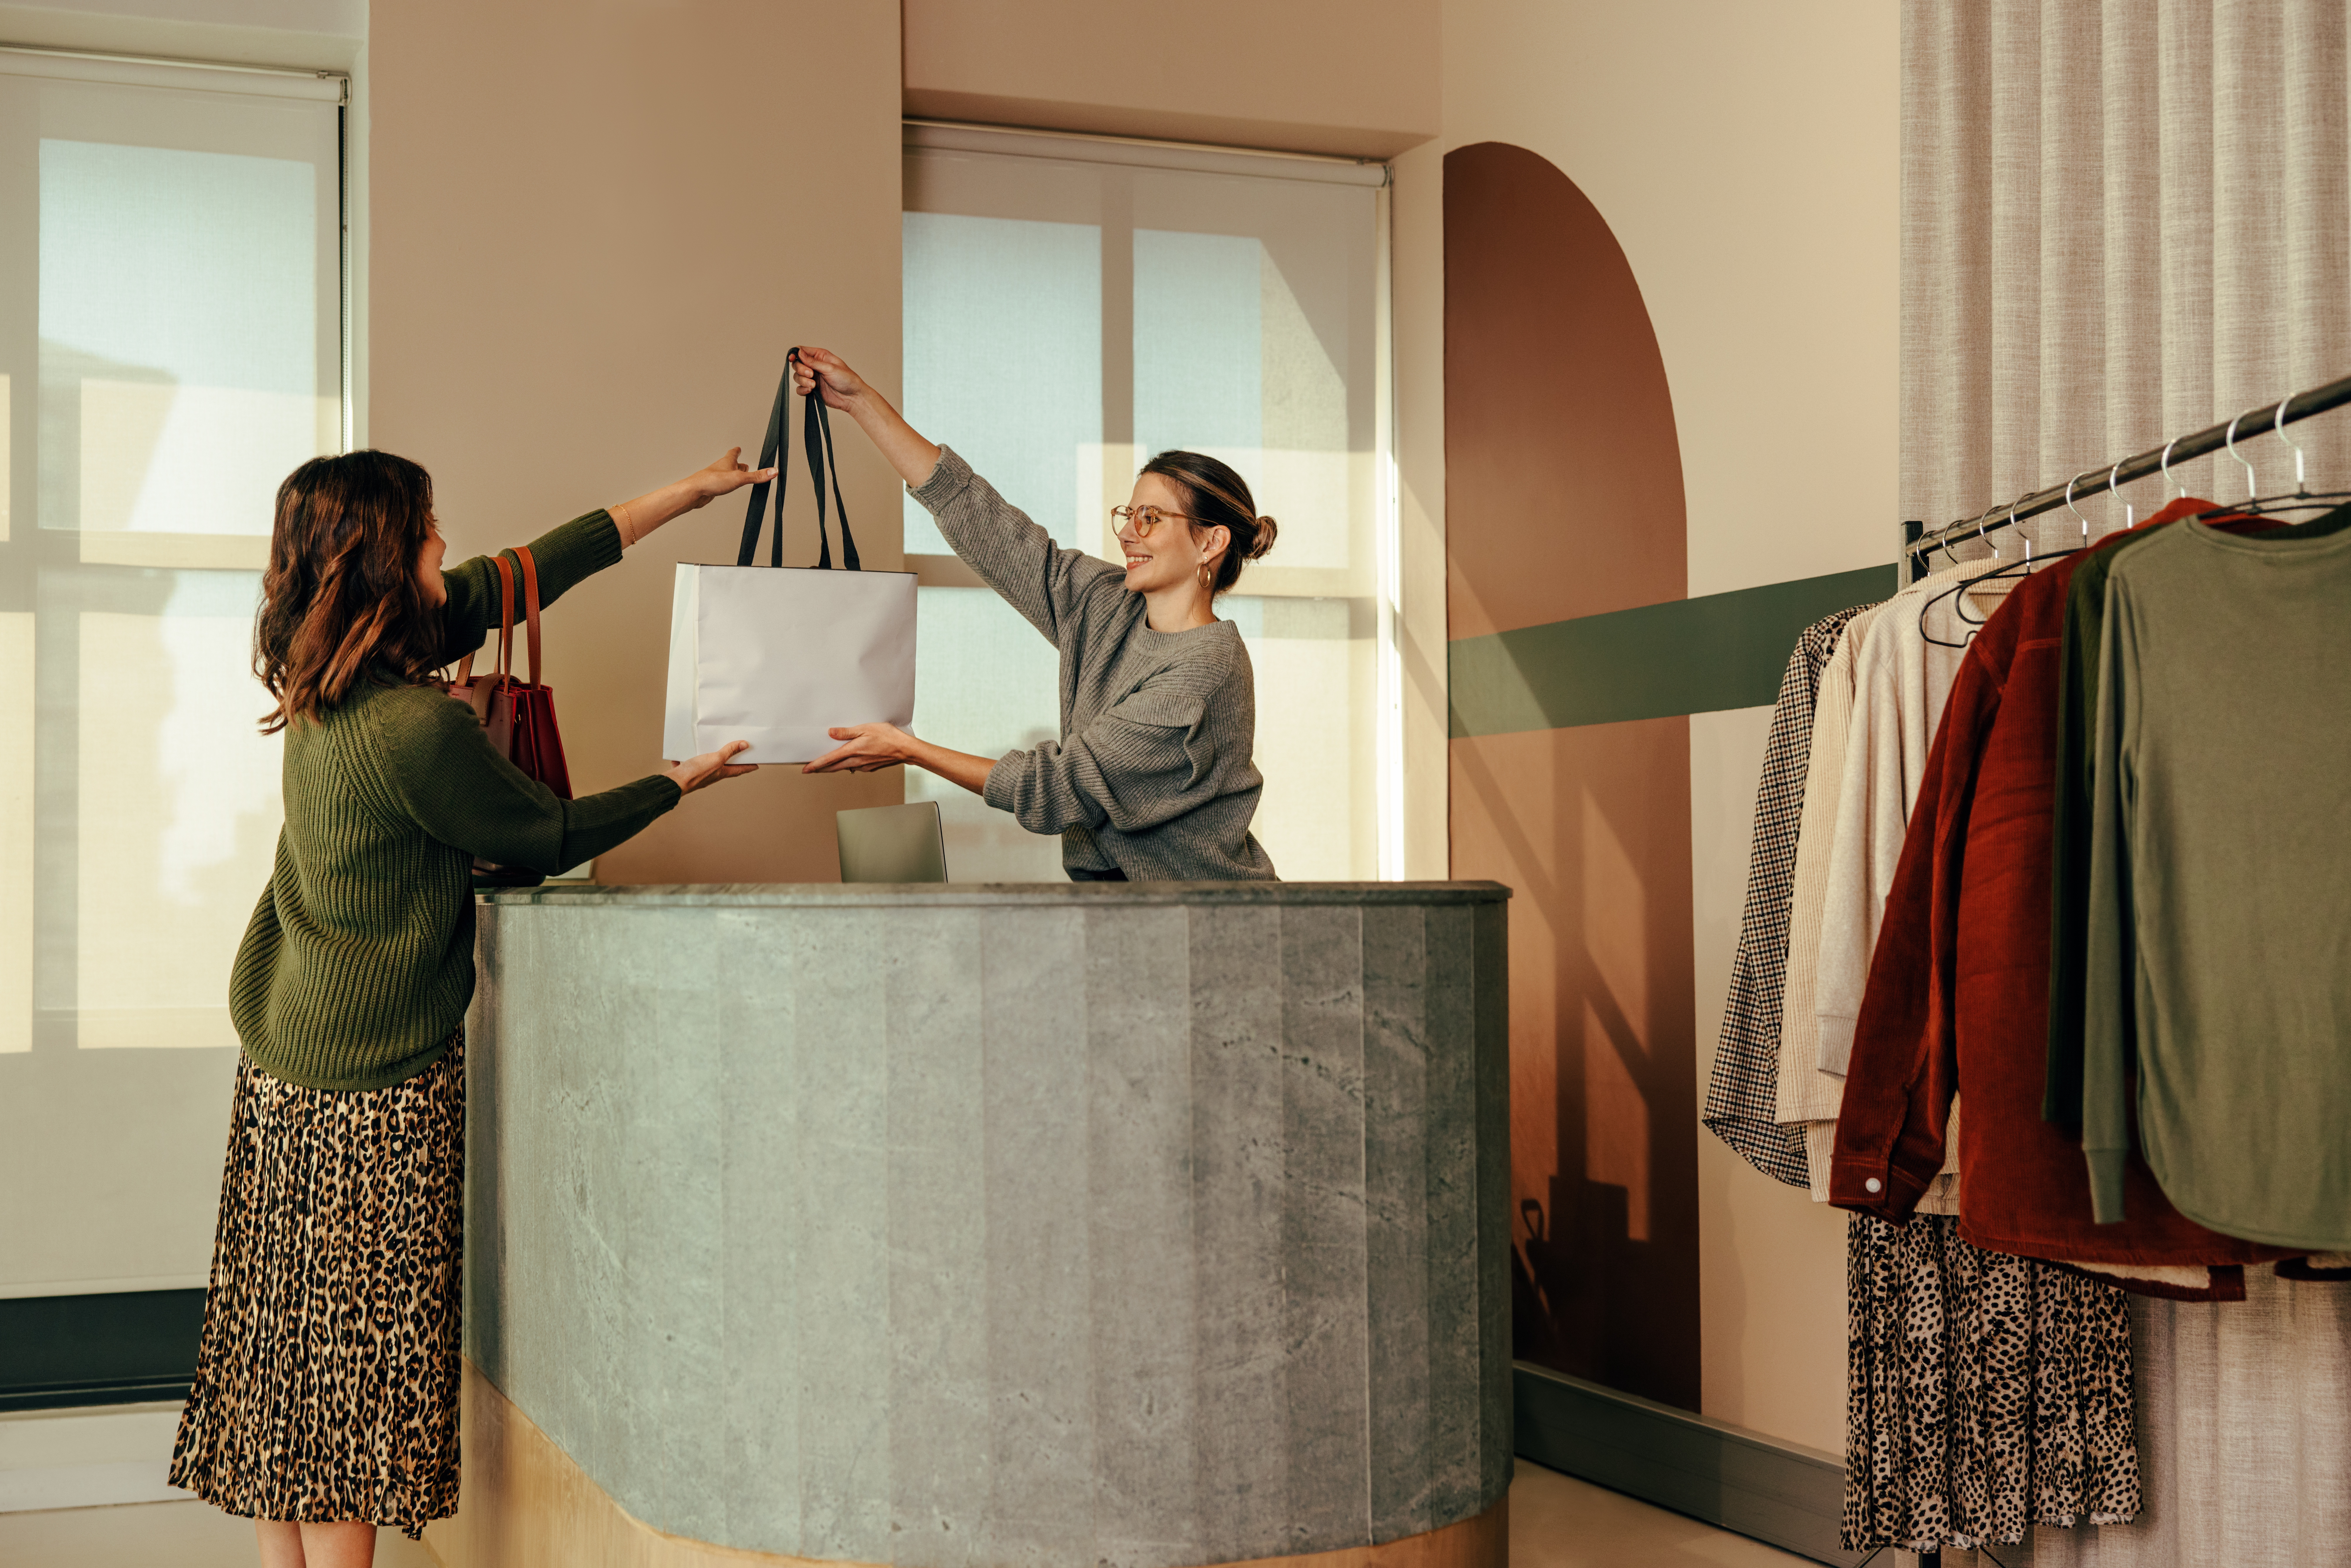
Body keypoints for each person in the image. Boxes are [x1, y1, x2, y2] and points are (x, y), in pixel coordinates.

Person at [167, 447, 764, 1567]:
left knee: (286, 1363)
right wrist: (682, 779)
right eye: (430, 529)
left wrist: (687, 493)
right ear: (391, 560)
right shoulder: (417, 729)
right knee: (348, 1400)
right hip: (375, 1093)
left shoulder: (322, 674)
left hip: (287, 1061)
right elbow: (540, 832)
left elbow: (519, 574)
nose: (449, 540)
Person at [792, 346, 1281, 881]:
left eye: (1150, 518)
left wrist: (911, 749)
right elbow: (990, 525)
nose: (1126, 534)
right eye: (1127, 514)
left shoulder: (1204, 671)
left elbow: (1060, 789)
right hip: (1126, 915)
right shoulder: (1107, 603)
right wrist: (862, 403)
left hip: (1210, 924)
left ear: (1211, 541)